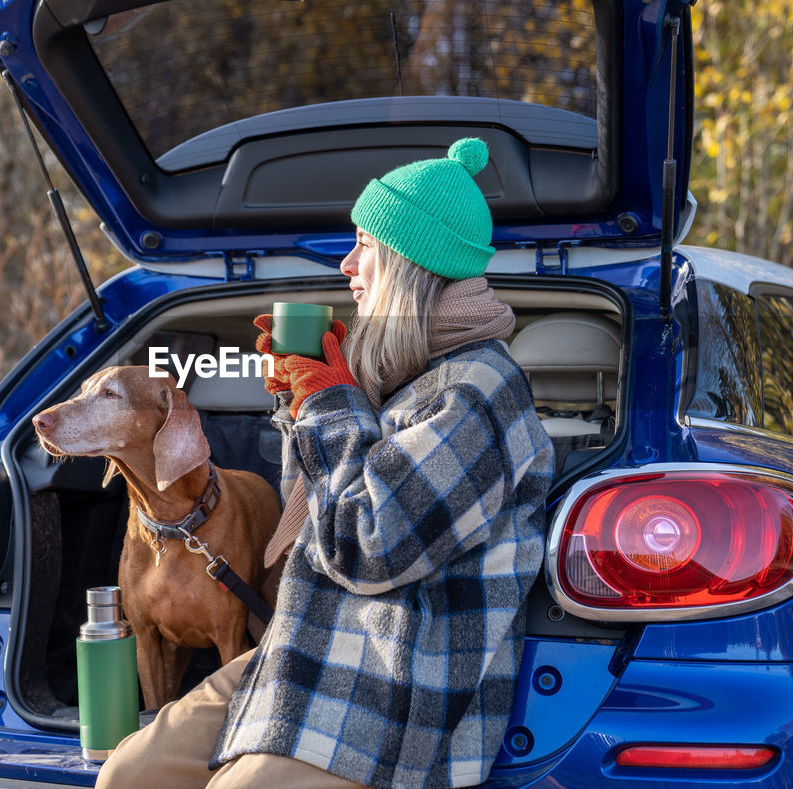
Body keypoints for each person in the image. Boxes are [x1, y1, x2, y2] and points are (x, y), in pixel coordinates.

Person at [95, 137, 554, 789]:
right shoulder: (397, 376)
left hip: (396, 677)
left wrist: (328, 401)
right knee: (129, 775)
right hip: (310, 644)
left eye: (363, 244)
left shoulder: (477, 393)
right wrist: (297, 403)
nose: (346, 264)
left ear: (407, 262)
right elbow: (310, 527)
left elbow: (367, 548)